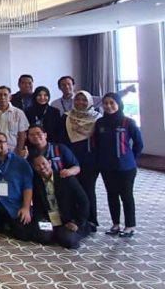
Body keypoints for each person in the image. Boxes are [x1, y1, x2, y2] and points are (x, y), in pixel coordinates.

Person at [93, 93, 143, 237]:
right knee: (112, 195)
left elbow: (139, 144)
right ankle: (115, 224)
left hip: (126, 167)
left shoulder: (128, 122)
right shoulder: (100, 123)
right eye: (105, 103)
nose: (108, 106)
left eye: (112, 103)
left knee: (126, 196)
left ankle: (129, 226)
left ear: (119, 104)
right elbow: (97, 143)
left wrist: (131, 159)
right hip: (107, 167)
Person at [30, 156, 90, 249]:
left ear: (49, 163)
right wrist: (42, 220)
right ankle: (56, 233)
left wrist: (77, 222)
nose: (41, 167)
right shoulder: (36, 182)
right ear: (34, 168)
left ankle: (67, 232)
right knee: (42, 236)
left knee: (68, 240)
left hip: (69, 220)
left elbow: (84, 202)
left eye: (43, 163)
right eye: (38, 166)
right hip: (50, 220)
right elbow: (37, 206)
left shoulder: (66, 178)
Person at [62, 90, 102, 229]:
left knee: (88, 189)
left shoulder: (97, 119)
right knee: (71, 190)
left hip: (90, 161)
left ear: (90, 102)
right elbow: (62, 139)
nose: (80, 102)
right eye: (77, 99)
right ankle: (74, 219)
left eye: (84, 100)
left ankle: (90, 219)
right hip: (70, 160)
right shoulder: (66, 117)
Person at [0, 86, 29, 153]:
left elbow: (22, 134)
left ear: (10, 97)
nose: (2, 97)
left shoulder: (19, 113)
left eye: (5, 95)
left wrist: (18, 151)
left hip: (12, 150)